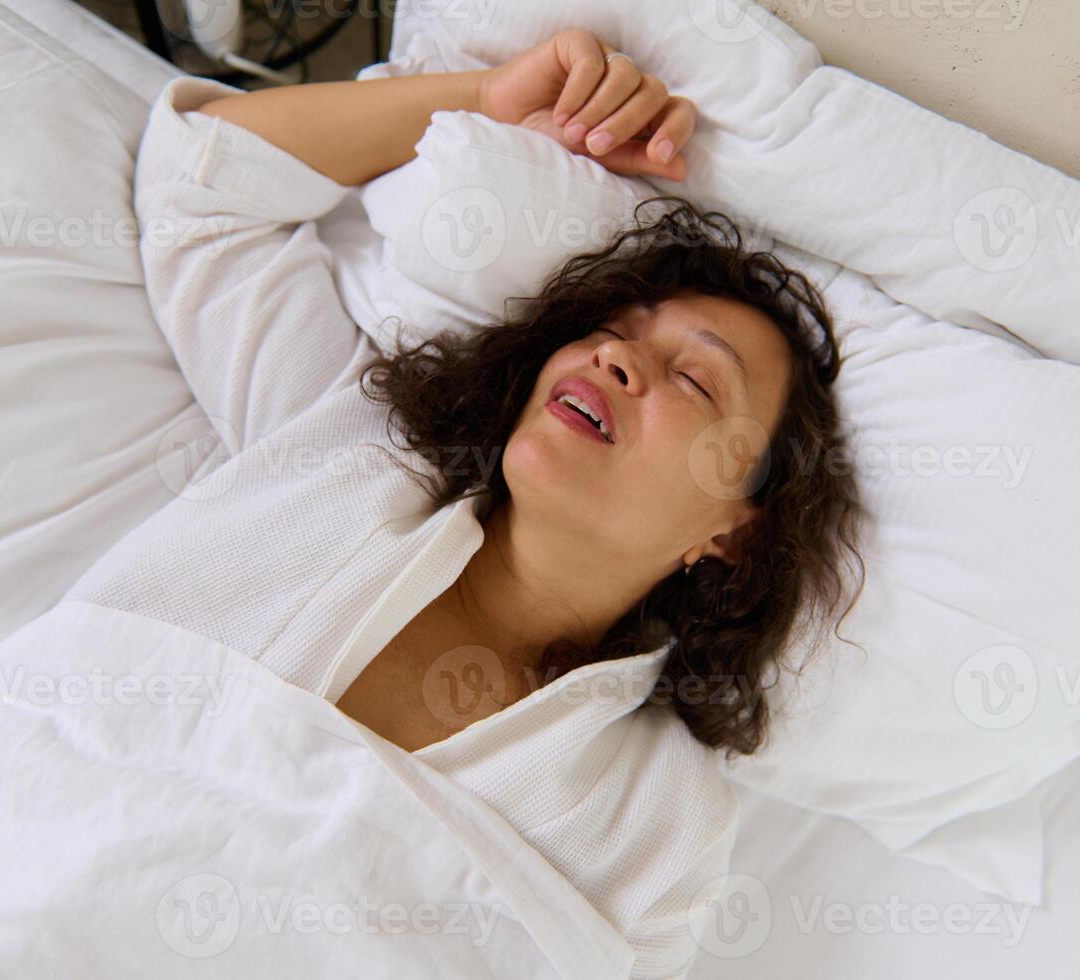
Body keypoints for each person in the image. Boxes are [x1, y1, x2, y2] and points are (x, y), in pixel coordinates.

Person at [68, 26, 861, 977]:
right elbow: (203, 185)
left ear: (734, 532)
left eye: (695, 383)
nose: (615, 355)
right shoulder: (346, 444)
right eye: (611, 329)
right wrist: (488, 100)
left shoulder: (657, 825)